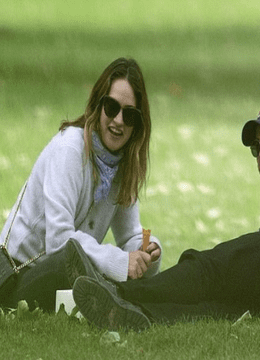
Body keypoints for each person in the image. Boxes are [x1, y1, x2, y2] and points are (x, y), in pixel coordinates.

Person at [72, 99, 260, 331]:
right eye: (256, 146)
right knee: (219, 308)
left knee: (210, 269)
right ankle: (132, 311)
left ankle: (117, 292)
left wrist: (234, 260)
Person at [0, 57, 162, 312]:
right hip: (17, 276)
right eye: (111, 107)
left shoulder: (123, 165)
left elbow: (130, 235)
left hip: (66, 274)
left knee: (105, 278)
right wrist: (120, 262)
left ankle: (118, 304)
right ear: (98, 105)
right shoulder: (70, 149)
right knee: (88, 271)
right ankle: (116, 305)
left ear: (138, 125)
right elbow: (60, 243)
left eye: (129, 115)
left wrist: (148, 253)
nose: (118, 121)